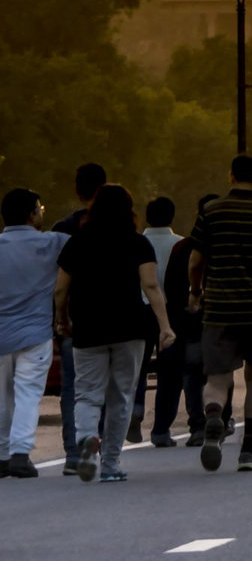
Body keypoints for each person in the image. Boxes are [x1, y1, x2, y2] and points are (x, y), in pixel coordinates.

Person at [54, 184, 173, 483]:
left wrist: (62, 320)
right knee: (121, 396)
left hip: (88, 328)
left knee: (87, 393)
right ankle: (110, 463)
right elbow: (151, 286)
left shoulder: (77, 243)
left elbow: (60, 289)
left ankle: (86, 439)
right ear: (129, 210)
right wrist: (165, 325)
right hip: (130, 328)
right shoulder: (138, 243)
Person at [188, 155, 252, 473]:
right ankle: (247, 451)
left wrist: (196, 291)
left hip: (219, 307)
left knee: (217, 378)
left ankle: (213, 416)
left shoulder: (211, 211)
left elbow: (195, 261)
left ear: (230, 176)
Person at [0, 187, 69, 478]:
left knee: (2, 396)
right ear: (32, 214)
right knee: (28, 394)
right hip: (36, 333)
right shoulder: (54, 243)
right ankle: (20, 453)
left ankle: (2, 455)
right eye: (40, 209)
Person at [51, 161, 106, 475]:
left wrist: (59, 319)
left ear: (77, 189)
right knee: (111, 388)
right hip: (114, 320)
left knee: (73, 388)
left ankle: (74, 452)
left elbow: (57, 283)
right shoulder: (121, 226)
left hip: (75, 320)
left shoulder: (63, 229)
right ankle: (106, 449)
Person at [158, 195, 217, 447]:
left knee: (192, 373)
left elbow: (170, 287)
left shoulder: (182, 247)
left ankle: (198, 425)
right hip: (219, 320)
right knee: (220, 372)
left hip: (189, 320)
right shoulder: (226, 245)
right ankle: (220, 418)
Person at [127, 196, 181, 447]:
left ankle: (135, 407)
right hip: (170, 313)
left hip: (137, 310)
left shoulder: (135, 243)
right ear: (172, 216)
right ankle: (160, 429)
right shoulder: (180, 244)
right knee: (170, 372)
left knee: (136, 365)